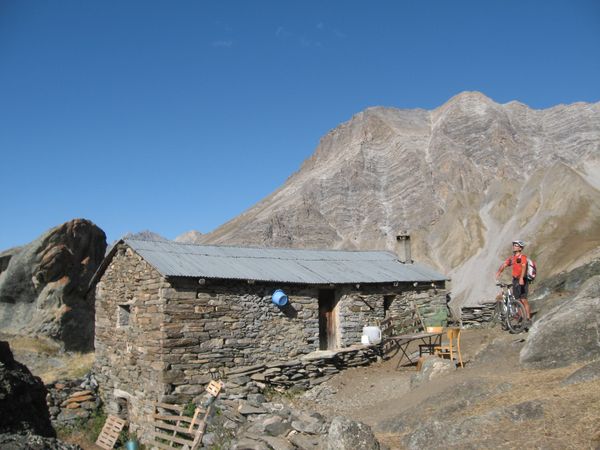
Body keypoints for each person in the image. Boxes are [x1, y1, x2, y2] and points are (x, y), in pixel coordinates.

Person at [495, 240, 531, 321]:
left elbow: (524, 267)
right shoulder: (512, 258)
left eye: (516, 245)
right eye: (514, 245)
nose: (514, 246)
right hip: (515, 280)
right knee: (517, 299)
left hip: (523, 280)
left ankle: (528, 318)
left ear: (520, 248)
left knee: (524, 299)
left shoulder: (523, 257)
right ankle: (521, 318)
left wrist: (521, 278)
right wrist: (499, 272)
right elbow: (504, 264)